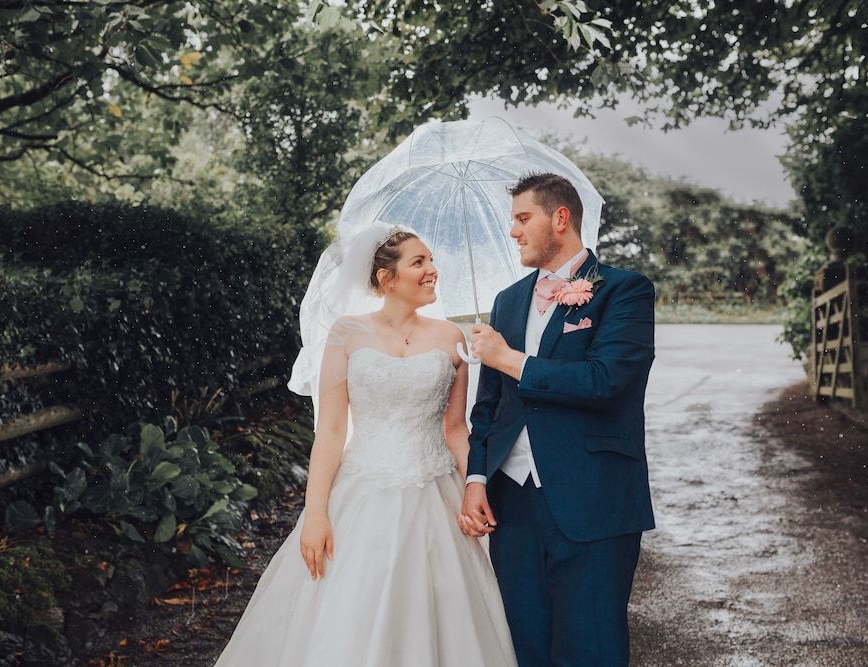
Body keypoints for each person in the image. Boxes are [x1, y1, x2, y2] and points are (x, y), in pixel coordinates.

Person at [214, 224, 516, 666]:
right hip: (361, 495)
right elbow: (332, 432)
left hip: (436, 495)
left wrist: (477, 487)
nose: (433, 270)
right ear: (385, 278)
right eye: (419, 262)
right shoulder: (347, 333)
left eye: (432, 260)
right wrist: (315, 514)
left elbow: (455, 428)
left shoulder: (452, 337)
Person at [460, 172, 656, 666]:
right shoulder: (506, 301)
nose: (514, 231)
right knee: (523, 644)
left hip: (593, 497)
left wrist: (509, 359)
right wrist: (477, 476)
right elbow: (489, 406)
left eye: (524, 218)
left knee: (591, 646)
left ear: (560, 218)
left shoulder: (625, 291)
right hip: (513, 501)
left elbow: (605, 381)